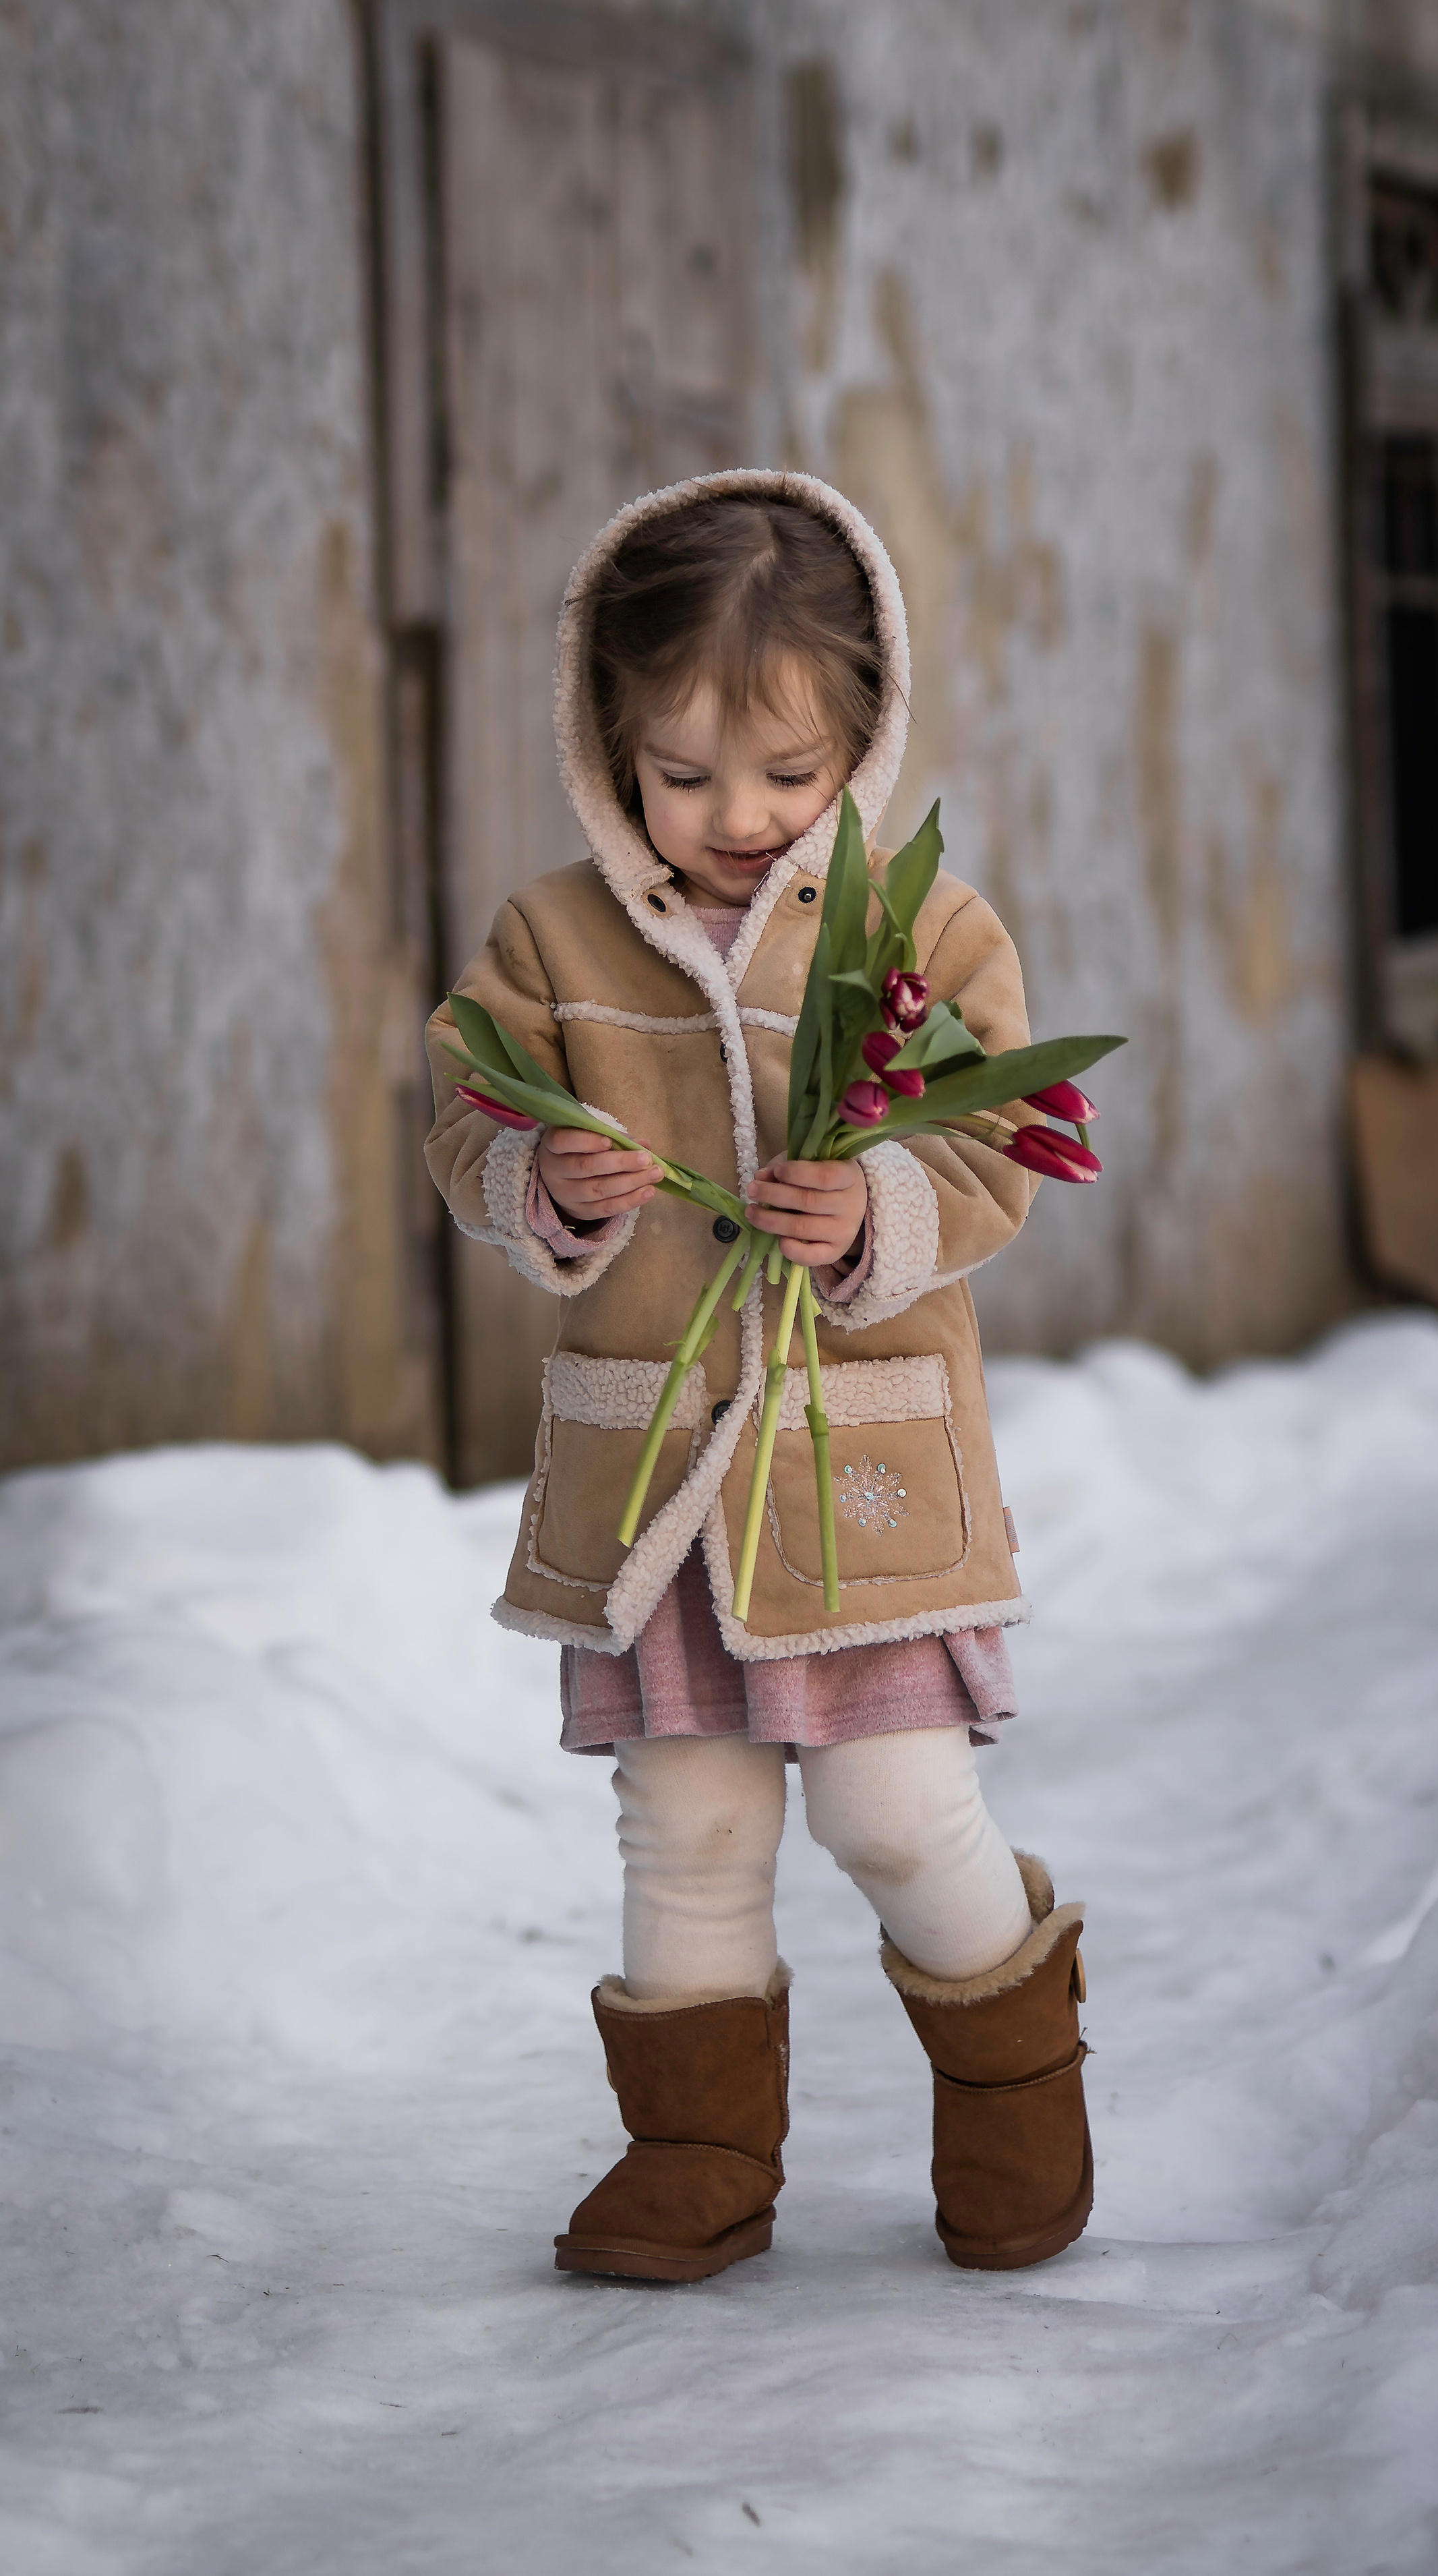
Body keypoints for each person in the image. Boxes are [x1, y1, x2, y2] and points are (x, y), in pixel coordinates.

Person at [425, 471, 1089, 2284]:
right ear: (607, 741)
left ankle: (1019, 2069)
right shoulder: (557, 937)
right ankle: (700, 2145)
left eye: (789, 775)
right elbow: (466, 1096)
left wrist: (881, 1197)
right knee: (690, 1810)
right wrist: (534, 1176)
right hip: (657, 1471)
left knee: (892, 1802)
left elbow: (1011, 1138)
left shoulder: (923, 932)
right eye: (683, 772)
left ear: (861, 741)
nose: (737, 818)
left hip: (851, 1464)